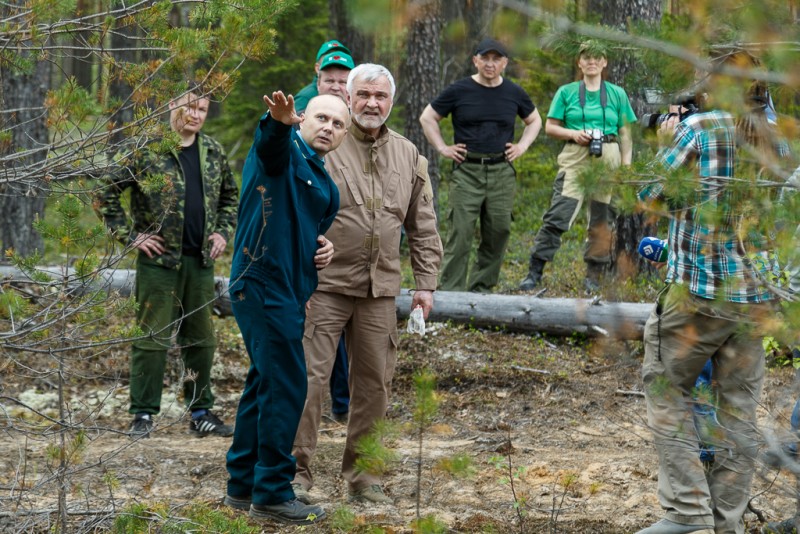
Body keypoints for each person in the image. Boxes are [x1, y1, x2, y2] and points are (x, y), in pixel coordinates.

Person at [635, 52, 779, 534]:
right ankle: (726, 523)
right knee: (738, 409)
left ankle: (686, 511)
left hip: (700, 291)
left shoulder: (701, 127)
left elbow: (651, 193)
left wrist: (665, 139)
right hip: (758, 295)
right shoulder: (773, 133)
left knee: (664, 383)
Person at [291, 63, 443, 505]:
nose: (372, 104)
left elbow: (424, 225)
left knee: (375, 385)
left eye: (380, 96)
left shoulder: (409, 155)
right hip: (323, 287)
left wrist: (426, 283)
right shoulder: (324, 143)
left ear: (391, 101)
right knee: (309, 381)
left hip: (381, 291)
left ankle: (364, 477)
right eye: (363, 96)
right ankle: (295, 473)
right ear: (349, 98)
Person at [223, 92, 350, 525]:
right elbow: (269, 147)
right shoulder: (282, 150)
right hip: (262, 282)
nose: (329, 127)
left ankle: (243, 484)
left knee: (265, 382)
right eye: (321, 118)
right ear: (302, 120)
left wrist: (323, 245)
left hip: (288, 290)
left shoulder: (319, 172)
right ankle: (273, 492)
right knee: (287, 386)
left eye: (337, 123)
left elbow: (301, 223)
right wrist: (277, 121)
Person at [96, 82, 239, 439]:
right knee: (151, 339)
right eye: (189, 107)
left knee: (200, 339)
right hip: (160, 264)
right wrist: (131, 236)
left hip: (200, 263)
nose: (195, 115)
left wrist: (222, 232)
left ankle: (201, 412)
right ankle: (143, 415)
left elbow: (229, 197)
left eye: (202, 110)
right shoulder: (146, 149)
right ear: (172, 104)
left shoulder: (212, 151)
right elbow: (105, 193)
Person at [420, 37, 541, 293]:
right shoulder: (458, 90)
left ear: (505, 63)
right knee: (461, 232)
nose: (490, 63)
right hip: (467, 170)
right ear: (475, 60)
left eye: (496, 59)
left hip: (501, 170)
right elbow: (428, 117)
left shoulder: (514, 92)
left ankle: (481, 290)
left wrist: (522, 146)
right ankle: (452, 292)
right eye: (485, 58)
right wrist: (442, 148)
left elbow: (535, 120)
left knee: (499, 230)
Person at [518, 40, 635, 293]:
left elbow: (625, 132)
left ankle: (594, 275)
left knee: (602, 220)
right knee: (558, 215)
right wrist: (574, 134)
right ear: (579, 62)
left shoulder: (617, 94)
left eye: (597, 57)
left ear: (604, 62)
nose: (591, 62)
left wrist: (626, 166)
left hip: (609, 156)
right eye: (586, 57)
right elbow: (550, 127)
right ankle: (534, 272)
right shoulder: (567, 92)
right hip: (575, 157)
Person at [294, 48, 356, 423]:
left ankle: (344, 405)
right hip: (301, 266)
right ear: (318, 76)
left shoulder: (354, 119)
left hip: (340, 256)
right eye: (329, 78)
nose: (335, 84)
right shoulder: (300, 128)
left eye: (341, 79)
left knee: (342, 343)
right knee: (313, 342)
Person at [294, 39, 352, 114]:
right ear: (317, 68)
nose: (335, 87)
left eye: (343, 82)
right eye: (330, 81)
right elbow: (293, 121)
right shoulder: (305, 97)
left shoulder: (354, 104)